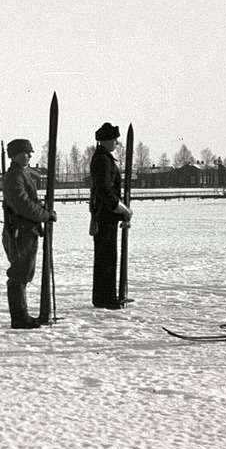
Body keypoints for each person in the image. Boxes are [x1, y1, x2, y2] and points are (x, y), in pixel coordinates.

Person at [1, 138, 57, 328]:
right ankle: (19, 315)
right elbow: (22, 204)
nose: (29, 155)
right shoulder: (15, 176)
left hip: (26, 230)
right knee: (19, 273)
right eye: (26, 152)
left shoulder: (22, 174)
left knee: (24, 272)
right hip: (20, 232)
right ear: (15, 155)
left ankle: (22, 313)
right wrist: (45, 215)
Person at [88, 122, 132, 309]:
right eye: (114, 139)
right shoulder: (103, 160)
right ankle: (105, 298)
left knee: (107, 257)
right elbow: (104, 189)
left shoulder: (103, 158)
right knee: (106, 258)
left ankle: (106, 296)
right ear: (105, 141)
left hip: (106, 214)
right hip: (105, 215)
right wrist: (122, 209)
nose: (116, 143)